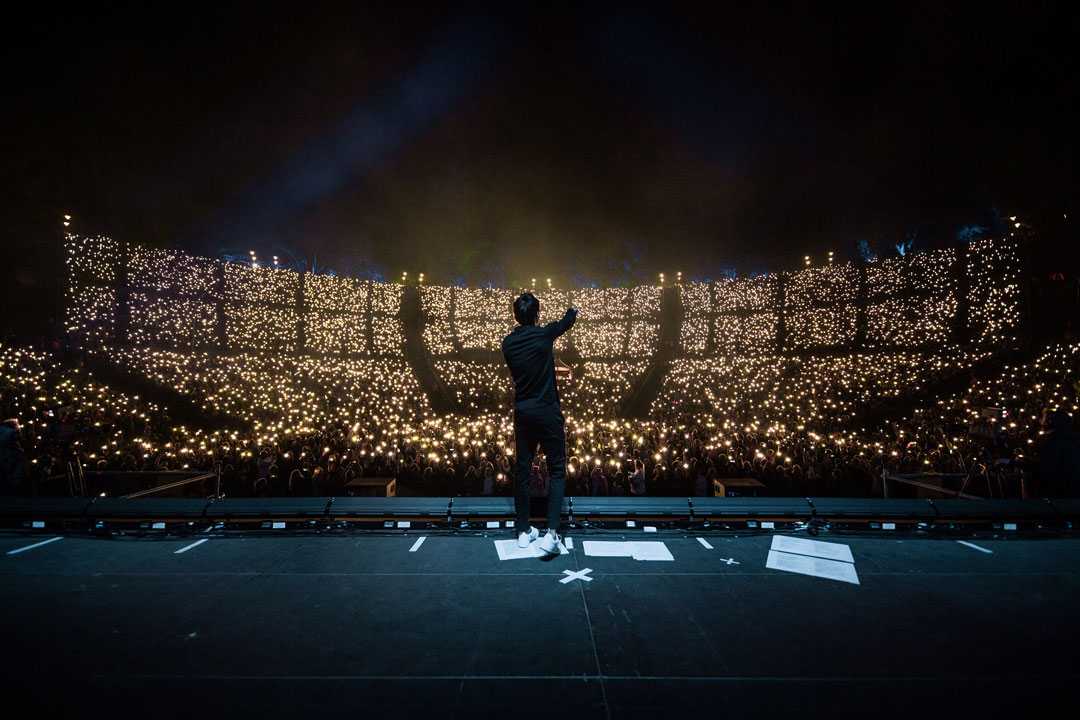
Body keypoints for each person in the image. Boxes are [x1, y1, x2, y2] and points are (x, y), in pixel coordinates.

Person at [502, 292, 577, 554]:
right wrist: (573, 309)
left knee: (523, 471)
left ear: (516, 315)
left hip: (523, 412)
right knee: (556, 469)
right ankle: (552, 533)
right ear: (536, 314)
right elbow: (565, 323)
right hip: (547, 411)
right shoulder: (544, 335)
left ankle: (523, 530)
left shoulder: (507, 343)